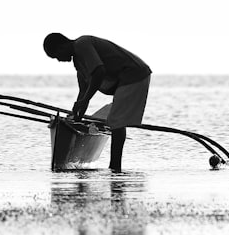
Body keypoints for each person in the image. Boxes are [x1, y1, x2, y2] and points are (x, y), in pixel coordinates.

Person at [43, 32, 152, 171]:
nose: (59, 60)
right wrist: (77, 114)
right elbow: (83, 91)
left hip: (134, 75)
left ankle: (115, 167)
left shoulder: (82, 44)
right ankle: (115, 167)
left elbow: (99, 72)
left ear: (63, 45)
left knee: (116, 122)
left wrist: (85, 100)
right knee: (116, 121)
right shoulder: (78, 62)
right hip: (123, 80)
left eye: (57, 55)